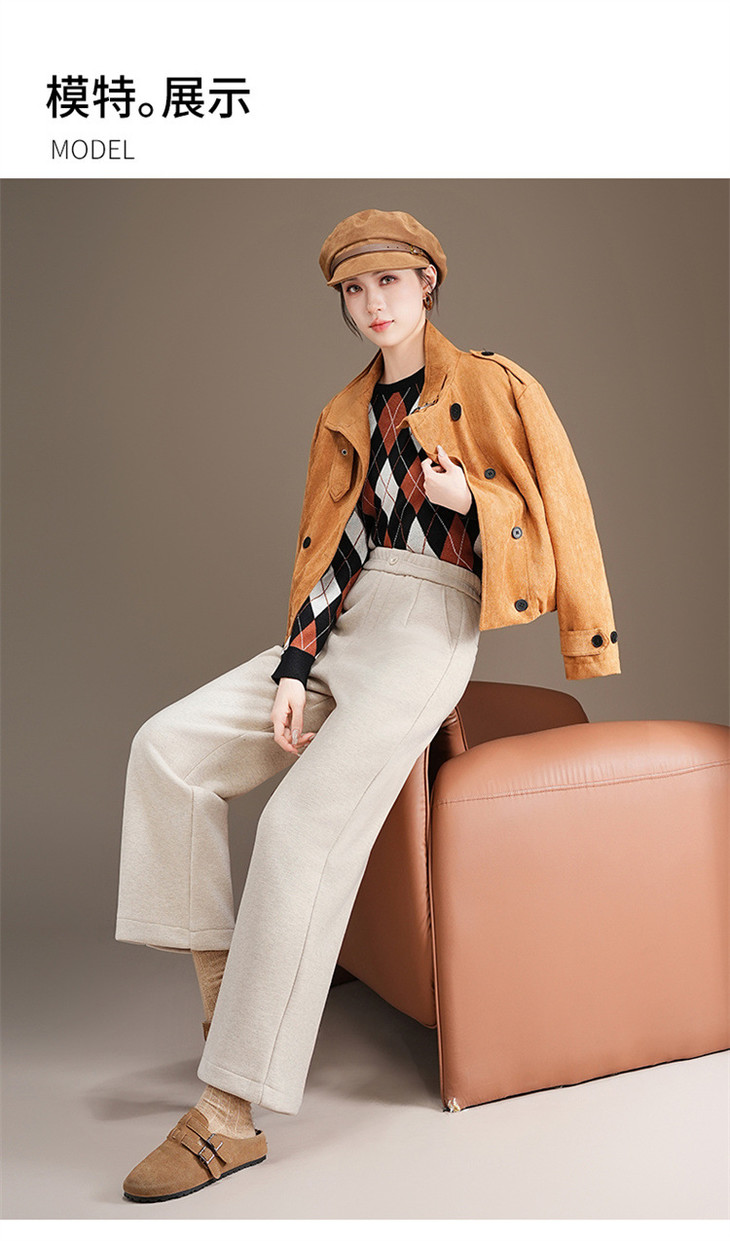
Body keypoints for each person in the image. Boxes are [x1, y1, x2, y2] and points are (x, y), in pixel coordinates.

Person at [116, 208, 620, 1202]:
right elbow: (329, 551)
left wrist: (472, 502)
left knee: (298, 827)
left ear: (427, 283)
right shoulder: (346, 410)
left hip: (429, 629)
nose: (372, 303)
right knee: (165, 748)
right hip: (348, 620)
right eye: (354, 289)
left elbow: (559, 513)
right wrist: (295, 664)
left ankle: (228, 1115)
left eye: (389, 281)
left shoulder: (492, 383)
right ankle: (226, 995)